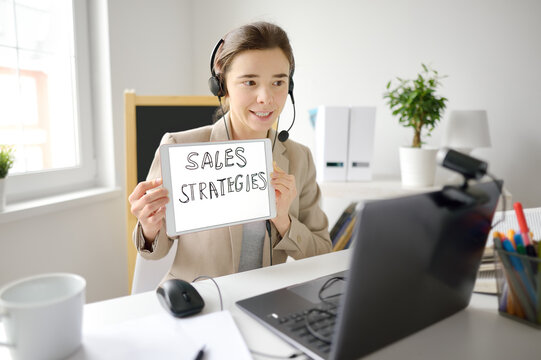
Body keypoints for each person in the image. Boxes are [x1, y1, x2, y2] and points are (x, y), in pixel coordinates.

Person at [129, 21, 331, 282]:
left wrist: (284, 221)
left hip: (266, 303)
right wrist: (148, 228)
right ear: (222, 86)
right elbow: (154, 254)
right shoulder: (180, 149)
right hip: (199, 302)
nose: (266, 98)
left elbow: (324, 253)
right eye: (249, 82)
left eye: (278, 83)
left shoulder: (299, 158)